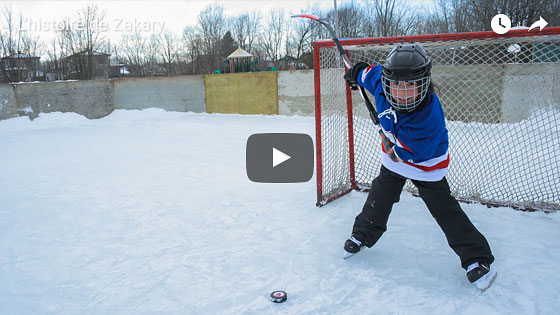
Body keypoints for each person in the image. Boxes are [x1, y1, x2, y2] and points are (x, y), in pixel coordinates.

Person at [343, 43, 496, 290]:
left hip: (426, 164)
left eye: (411, 86)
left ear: (424, 83)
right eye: (397, 86)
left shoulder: (428, 118)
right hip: (394, 157)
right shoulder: (382, 83)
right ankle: (362, 234)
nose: (402, 93)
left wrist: (392, 147)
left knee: (444, 210)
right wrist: (355, 73)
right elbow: (368, 73)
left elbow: (415, 153)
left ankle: (476, 258)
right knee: (380, 196)